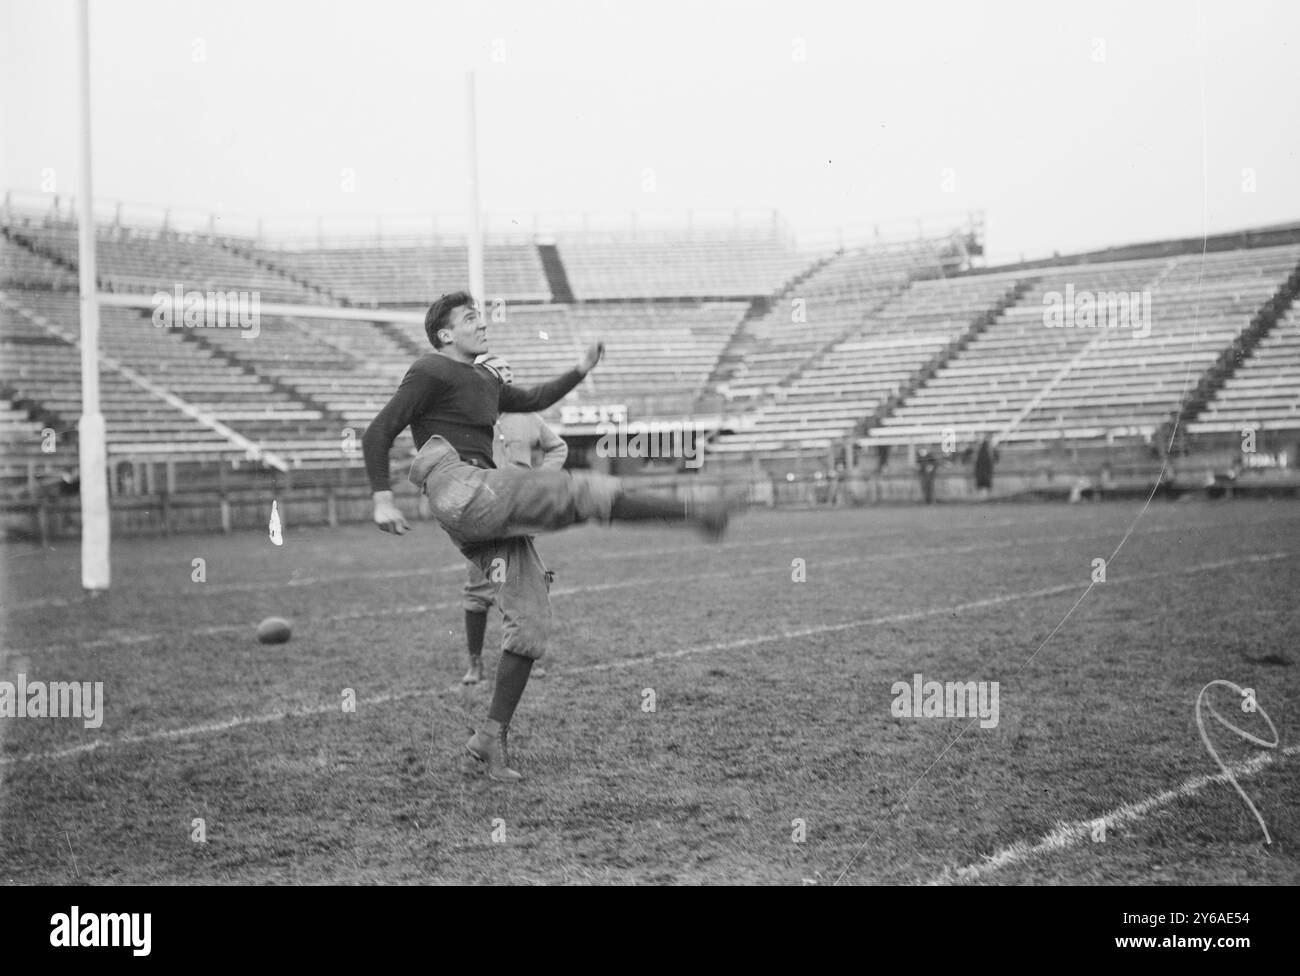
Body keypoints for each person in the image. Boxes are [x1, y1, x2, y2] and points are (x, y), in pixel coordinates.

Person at [362, 291, 730, 783]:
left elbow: (535, 399)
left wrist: (581, 368)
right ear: (446, 334)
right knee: (579, 491)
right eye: (471, 318)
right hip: (462, 487)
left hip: (481, 501)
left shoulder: (485, 382)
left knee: (531, 619)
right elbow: (378, 431)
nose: (483, 323)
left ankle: (490, 738)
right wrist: (381, 497)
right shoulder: (431, 369)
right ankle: (698, 514)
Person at [458, 354, 567, 687]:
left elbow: (557, 447)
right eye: (498, 369)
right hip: (483, 513)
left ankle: (526, 657)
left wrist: (538, 480)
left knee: (529, 584)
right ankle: (475, 664)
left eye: (509, 370)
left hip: (520, 512)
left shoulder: (528, 416)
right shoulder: (469, 416)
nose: (506, 375)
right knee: (478, 589)